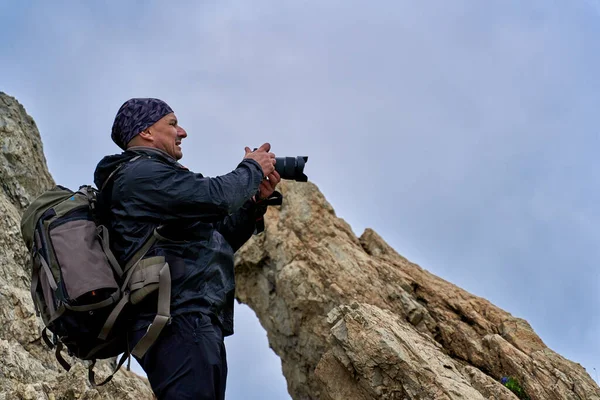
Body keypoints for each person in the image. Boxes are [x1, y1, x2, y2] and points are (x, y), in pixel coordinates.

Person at [93, 98, 281, 399]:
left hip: (190, 317)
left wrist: (254, 203)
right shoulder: (142, 175)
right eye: (172, 123)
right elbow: (218, 197)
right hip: (176, 319)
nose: (182, 132)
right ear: (146, 133)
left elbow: (217, 239)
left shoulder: (155, 176)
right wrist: (251, 168)